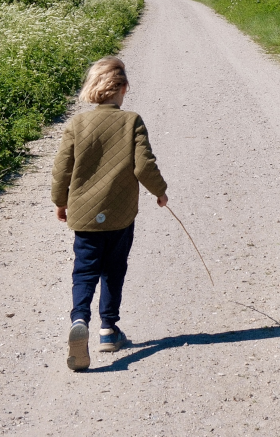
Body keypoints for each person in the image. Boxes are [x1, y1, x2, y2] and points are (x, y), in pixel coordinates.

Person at [51, 56, 168, 371]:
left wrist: (60, 201)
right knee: (113, 270)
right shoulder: (131, 121)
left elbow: (62, 169)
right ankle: (108, 330)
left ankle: (79, 320)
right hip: (119, 215)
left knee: (85, 270)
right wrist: (160, 191)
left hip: (84, 215)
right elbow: (144, 165)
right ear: (123, 88)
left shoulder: (76, 124)